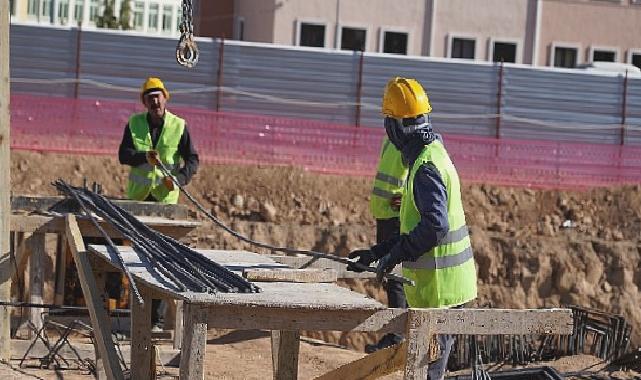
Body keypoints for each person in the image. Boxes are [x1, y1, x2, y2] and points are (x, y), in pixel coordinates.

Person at [348, 77, 477, 380]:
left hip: (440, 291)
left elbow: (435, 226)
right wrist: (379, 251)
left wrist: (396, 255)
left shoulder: (425, 166)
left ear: (394, 127)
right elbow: (420, 224)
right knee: (425, 370)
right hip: (441, 289)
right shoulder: (430, 152)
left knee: (428, 373)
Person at [118, 76, 199, 331]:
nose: (154, 100)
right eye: (150, 96)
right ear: (144, 101)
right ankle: (138, 317)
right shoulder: (135, 124)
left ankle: (158, 320)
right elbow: (123, 155)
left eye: (158, 95)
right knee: (138, 258)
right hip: (140, 201)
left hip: (165, 202)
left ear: (165, 97)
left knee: (162, 259)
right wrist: (144, 156)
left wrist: (177, 180)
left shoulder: (179, 125)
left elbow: (192, 160)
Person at [363, 136, 408, 353]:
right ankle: (396, 335)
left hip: (397, 216)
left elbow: (420, 173)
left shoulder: (409, 139)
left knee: (396, 278)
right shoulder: (391, 140)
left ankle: (397, 337)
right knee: (391, 279)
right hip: (385, 215)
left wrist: (408, 198)